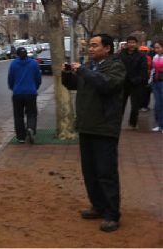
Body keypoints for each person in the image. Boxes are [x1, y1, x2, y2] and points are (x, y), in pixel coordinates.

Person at [61, 33, 126, 233]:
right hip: (86, 126)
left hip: (105, 128)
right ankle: (97, 206)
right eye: (90, 45)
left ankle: (111, 214)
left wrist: (83, 72)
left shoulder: (115, 67)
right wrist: (67, 74)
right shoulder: (89, 67)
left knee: (106, 172)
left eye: (95, 46)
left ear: (107, 48)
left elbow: (106, 85)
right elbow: (73, 85)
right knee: (90, 172)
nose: (90, 49)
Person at [7, 46, 42, 144]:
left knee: (18, 115)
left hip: (17, 93)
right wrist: (35, 87)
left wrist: (12, 88)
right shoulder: (34, 63)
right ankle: (31, 128)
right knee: (32, 113)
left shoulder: (13, 64)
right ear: (27, 54)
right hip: (31, 92)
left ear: (17, 55)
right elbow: (38, 78)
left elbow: (10, 78)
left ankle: (20, 137)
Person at [118, 35, 148, 129]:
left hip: (135, 83)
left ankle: (133, 123)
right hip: (123, 83)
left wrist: (139, 79)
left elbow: (144, 70)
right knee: (120, 105)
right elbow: (117, 67)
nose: (131, 44)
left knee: (135, 106)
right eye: (129, 42)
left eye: (133, 42)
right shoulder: (120, 54)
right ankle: (117, 123)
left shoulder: (141, 56)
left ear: (136, 44)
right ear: (127, 44)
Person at [149, 40, 163, 132]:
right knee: (157, 104)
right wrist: (150, 80)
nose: (156, 49)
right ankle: (159, 124)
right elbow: (153, 70)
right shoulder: (155, 57)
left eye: (158, 47)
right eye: (155, 48)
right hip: (155, 82)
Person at [139, 45, 152, 109]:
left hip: (147, 77)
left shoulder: (148, 58)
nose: (144, 52)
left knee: (146, 92)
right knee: (142, 92)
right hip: (141, 77)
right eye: (142, 51)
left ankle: (144, 105)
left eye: (145, 51)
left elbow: (151, 67)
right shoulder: (139, 58)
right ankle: (141, 105)